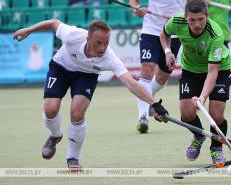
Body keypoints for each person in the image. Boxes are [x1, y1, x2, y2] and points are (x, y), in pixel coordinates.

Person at [13, 19, 169, 170]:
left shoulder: (109, 57)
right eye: (98, 42)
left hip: (86, 76)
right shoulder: (73, 35)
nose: (102, 48)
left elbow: (131, 83)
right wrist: (28, 30)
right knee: (50, 109)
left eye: (106, 42)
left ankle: (73, 158)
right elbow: (54, 23)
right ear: (88, 38)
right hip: (60, 68)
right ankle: (55, 135)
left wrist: (154, 104)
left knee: (77, 113)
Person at [129, 0, 203, 133]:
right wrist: (136, 9)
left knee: (162, 77)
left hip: (175, 32)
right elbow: (134, 0)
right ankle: (143, 117)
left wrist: (193, 10)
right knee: (147, 69)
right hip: (151, 30)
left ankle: (147, 98)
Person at [159, 0, 231, 163]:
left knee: (216, 114)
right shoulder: (177, 21)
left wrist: (202, 98)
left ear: (207, 16)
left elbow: (212, 72)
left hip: (219, 70)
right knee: (187, 113)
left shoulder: (216, 34)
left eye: (201, 19)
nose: (197, 24)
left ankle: (216, 148)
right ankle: (199, 135)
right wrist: (168, 51)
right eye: (192, 20)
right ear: (186, 17)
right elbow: (164, 33)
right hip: (190, 69)